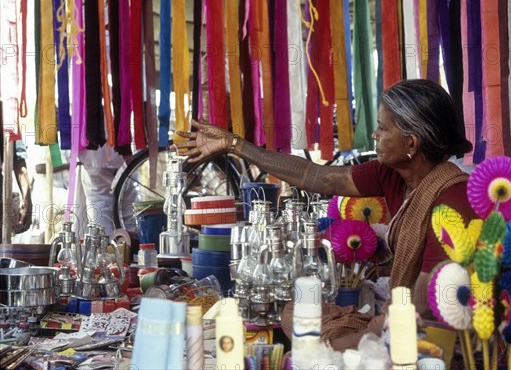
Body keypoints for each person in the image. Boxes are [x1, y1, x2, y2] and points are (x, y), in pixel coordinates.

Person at [175, 79, 476, 350]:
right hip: (392, 318)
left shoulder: (452, 200)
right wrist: (234, 144)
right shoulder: (393, 175)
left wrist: (330, 348)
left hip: (429, 335)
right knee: (295, 311)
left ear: (411, 143)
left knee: (317, 343)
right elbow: (312, 175)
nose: (374, 134)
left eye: (383, 128)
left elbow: (422, 305)